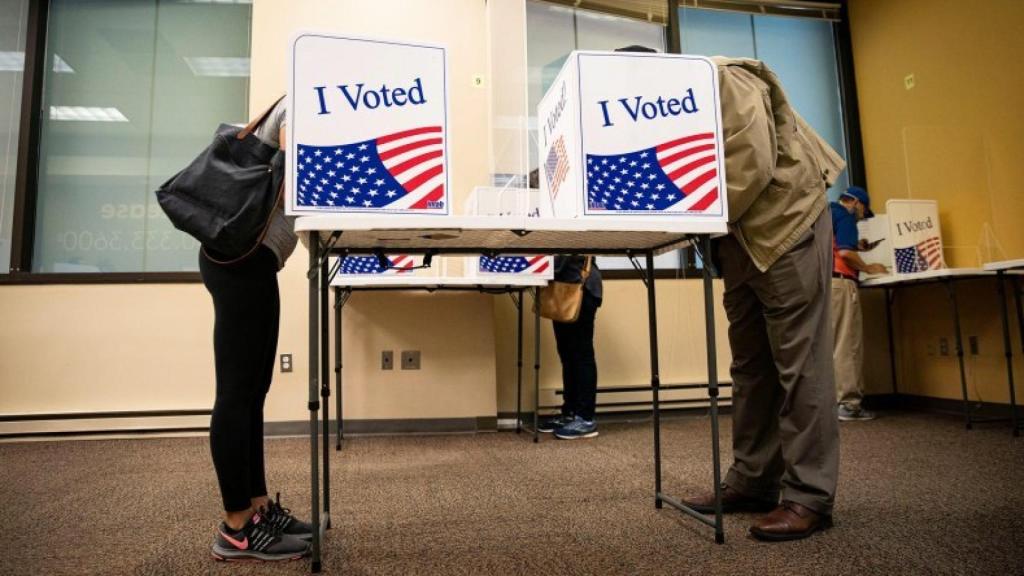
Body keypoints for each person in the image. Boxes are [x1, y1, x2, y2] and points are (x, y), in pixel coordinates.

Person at [676, 56, 846, 542]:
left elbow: (751, 159)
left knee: (800, 364)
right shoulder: (659, 110)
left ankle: (809, 495)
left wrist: (681, 215)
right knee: (751, 367)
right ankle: (753, 480)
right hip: (740, 237)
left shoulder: (724, 76)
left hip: (785, 223)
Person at [199, 98, 313, 561]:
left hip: (256, 263)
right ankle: (236, 527)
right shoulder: (301, 106)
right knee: (235, 394)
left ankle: (259, 508)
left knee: (253, 393)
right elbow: (286, 184)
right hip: (240, 263)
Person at [831, 186, 886, 421]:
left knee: (830, 345)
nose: (862, 217)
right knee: (848, 343)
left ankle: (833, 403)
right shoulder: (845, 216)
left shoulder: (825, 213)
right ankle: (849, 405)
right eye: (863, 212)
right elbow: (844, 254)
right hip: (841, 283)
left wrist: (857, 246)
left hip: (821, 284)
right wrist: (868, 267)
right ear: (856, 203)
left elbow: (836, 246)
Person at [537, 254, 603, 439]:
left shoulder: (571, 225)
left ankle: (585, 418)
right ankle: (571, 413)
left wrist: (530, 268)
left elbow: (560, 259)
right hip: (564, 290)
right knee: (568, 355)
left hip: (580, 289)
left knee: (581, 356)